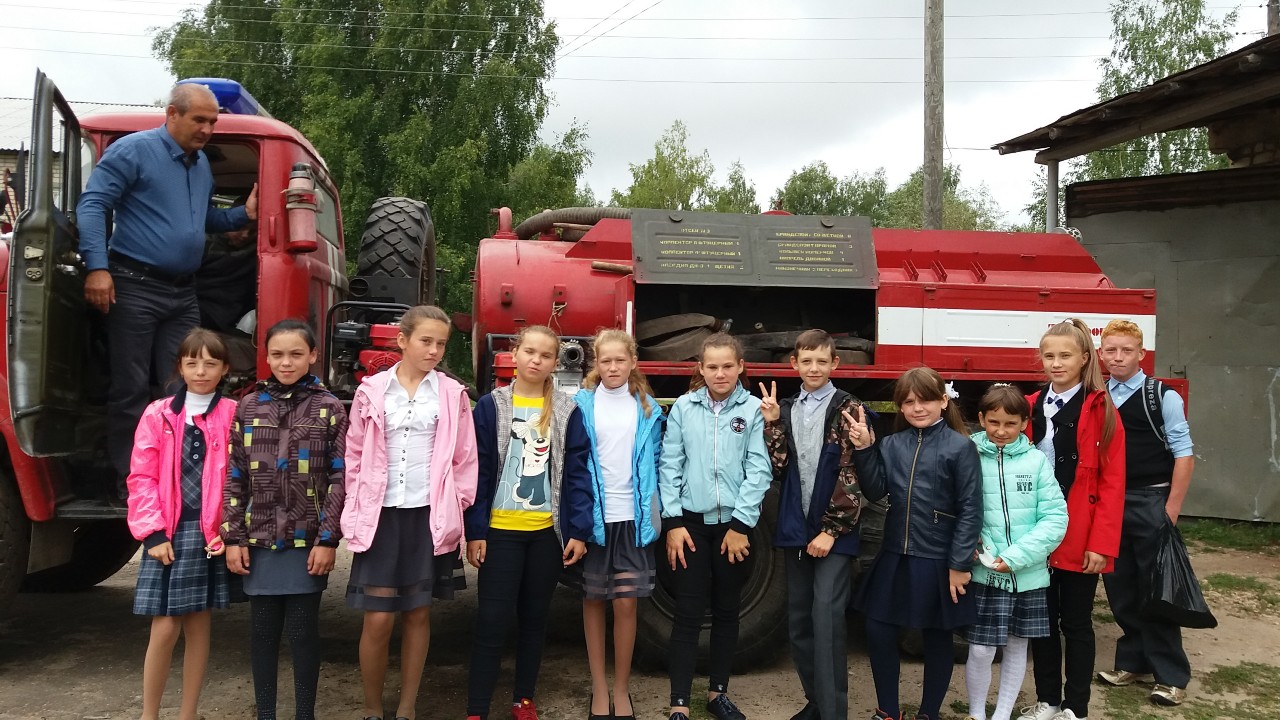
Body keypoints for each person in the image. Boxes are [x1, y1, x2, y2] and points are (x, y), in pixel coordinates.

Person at [77, 82, 259, 498]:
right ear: (172, 114)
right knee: (131, 388)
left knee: (187, 384)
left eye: (213, 122)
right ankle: (133, 485)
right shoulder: (133, 151)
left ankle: (182, 481)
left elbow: (203, 219)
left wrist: (242, 215)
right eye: (200, 120)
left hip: (181, 294)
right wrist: (97, 268)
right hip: (133, 286)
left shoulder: (201, 164)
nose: (207, 129)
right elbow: (93, 205)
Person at [342, 306, 479, 720]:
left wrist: (457, 506)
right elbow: (353, 454)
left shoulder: (452, 394)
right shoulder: (372, 392)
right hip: (381, 517)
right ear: (402, 340)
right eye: (426, 341)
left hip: (427, 516)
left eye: (441, 344)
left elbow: (465, 459)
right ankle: (372, 708)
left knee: (418, 614)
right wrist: (356, 502)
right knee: (378, 619)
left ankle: (407, 707)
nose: (434, 350)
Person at [464, 325, 593, 720]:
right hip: (500, 533)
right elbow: (478, 470)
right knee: (492, 621)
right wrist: (476, 530)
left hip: (545, 537)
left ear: (556, 362)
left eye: (546, 355)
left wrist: (579, 530)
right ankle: (477, 709)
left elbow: (577, 473)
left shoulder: (566, 410)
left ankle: (523, 700)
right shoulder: (491, 406)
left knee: (535, 621)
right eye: (530, 352)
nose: (536, 360)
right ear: (515, 353)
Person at [222, 319, 347, 720]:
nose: (286, 363)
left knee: (302, 633)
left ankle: (304, 714)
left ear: (313, 355)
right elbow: (235, 474)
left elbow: (340, 477)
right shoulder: (249, 406)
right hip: (258, 540)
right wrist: (233, 537)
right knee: (262, 634)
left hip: (306, 541)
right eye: (277, 354)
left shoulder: (329, 408)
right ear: (267, 356)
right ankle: (266, 714)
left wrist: (328, 539)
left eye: (296, 354)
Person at [845, 367, 983, 720]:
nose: (917, 408)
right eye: (908, 402)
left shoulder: (961, 447)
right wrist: (865, 448)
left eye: (925, 400)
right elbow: (875, 490)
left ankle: (928, 713)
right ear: (900, 407)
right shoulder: (891, 444)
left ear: (943, 401)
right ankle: (888, 711)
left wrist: (959, 564)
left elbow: (970, 509)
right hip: (896, 554)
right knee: (878, 628)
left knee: (936, 635)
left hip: (939, 557)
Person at [126, 328, 238, 720]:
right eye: (192, 363)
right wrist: (152, 533)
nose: (201, 371)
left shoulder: (234, 414)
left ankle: (188, 713)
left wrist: (229, 530)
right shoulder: (158, 413)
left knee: (199, 624)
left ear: (225, 368)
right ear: (180, 366)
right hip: (167, 533)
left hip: (210, 534)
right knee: (164, 625)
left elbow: (241, 478)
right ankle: (149, 714)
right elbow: (141, 476)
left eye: (210, 363)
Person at [660, 333, 771, 720]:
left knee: (727, 610)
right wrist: (673, 522)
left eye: (727, 366)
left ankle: (717, 694)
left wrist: (741, 525)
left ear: (740, 367)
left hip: (734, 530)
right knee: (688, 612)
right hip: (690, 527)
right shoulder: (683, 408)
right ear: (701, 369)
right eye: (712, 367)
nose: (720, 374)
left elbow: (759, 469)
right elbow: (669, 465)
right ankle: (679, 703)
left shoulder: (753, 409)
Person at [1023, 319, 1125, 720]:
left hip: (1081, 535)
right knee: (1042, 622)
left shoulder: (1101, 407)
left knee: (1077, 623)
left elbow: (1113, 482)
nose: (1056, 363)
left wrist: (1101, 543)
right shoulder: (1030, 405)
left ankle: (1075, 708)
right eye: (1049, 356)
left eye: (1065, 355)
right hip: (1036, 533)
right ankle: (1048, 701)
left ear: (1085, 358)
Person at [759, 329, 863, 720]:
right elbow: (781, 467)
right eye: (807, 361)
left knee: (827, 619)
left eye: (822, 361)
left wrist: (831, 531)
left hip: (834, 533)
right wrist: (772, 424)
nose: (814, 368)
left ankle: (834, 712)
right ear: (794, 364)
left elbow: (851, 473)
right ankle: (816, 702)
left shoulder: (848, 406)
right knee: (799, 620)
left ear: (835, 363)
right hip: (797, 529)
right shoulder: (787, 408)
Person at [1095, 319, 1194, 707]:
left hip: (1150, 500)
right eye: (1111, 350)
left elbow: (1183, 455)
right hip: (1109, 502)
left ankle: (1170, 675)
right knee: (1119, 585)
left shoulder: (1161, 397)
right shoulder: (1097, 395)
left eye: (1126, 350)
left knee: (1156, 588)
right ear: (1101, 354)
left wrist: (1171, 509)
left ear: (1141, 354)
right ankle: (1133, 662)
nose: (1118, 357)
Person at [571, 329, 665, 720]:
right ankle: (599, 687)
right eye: (605, 360)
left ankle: (622, 689)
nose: (612, 367)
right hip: (595, 519)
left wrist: (659, 512)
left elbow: (657, 463)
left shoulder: (648, 408)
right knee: (594, 600)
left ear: (633, 362)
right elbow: (574, 463)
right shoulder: (580, 405)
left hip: (632, 518)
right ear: (596, 362)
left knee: (626, 602)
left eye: (620, 360)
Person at [962, 384, 1067, 720]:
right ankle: (977, 713)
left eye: (1011, 424)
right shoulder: (967, 455)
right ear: (981, 419)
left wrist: (1015, 558)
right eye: (994, 422)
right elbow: (958, 507)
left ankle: (1002, 713)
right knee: (981, 649)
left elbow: (1055, 517)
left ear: (1024, 423)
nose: (1001, 430)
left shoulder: (1036, 462)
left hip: (1027, 572)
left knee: (1017, 645)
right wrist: (978, 548)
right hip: (985, 572)